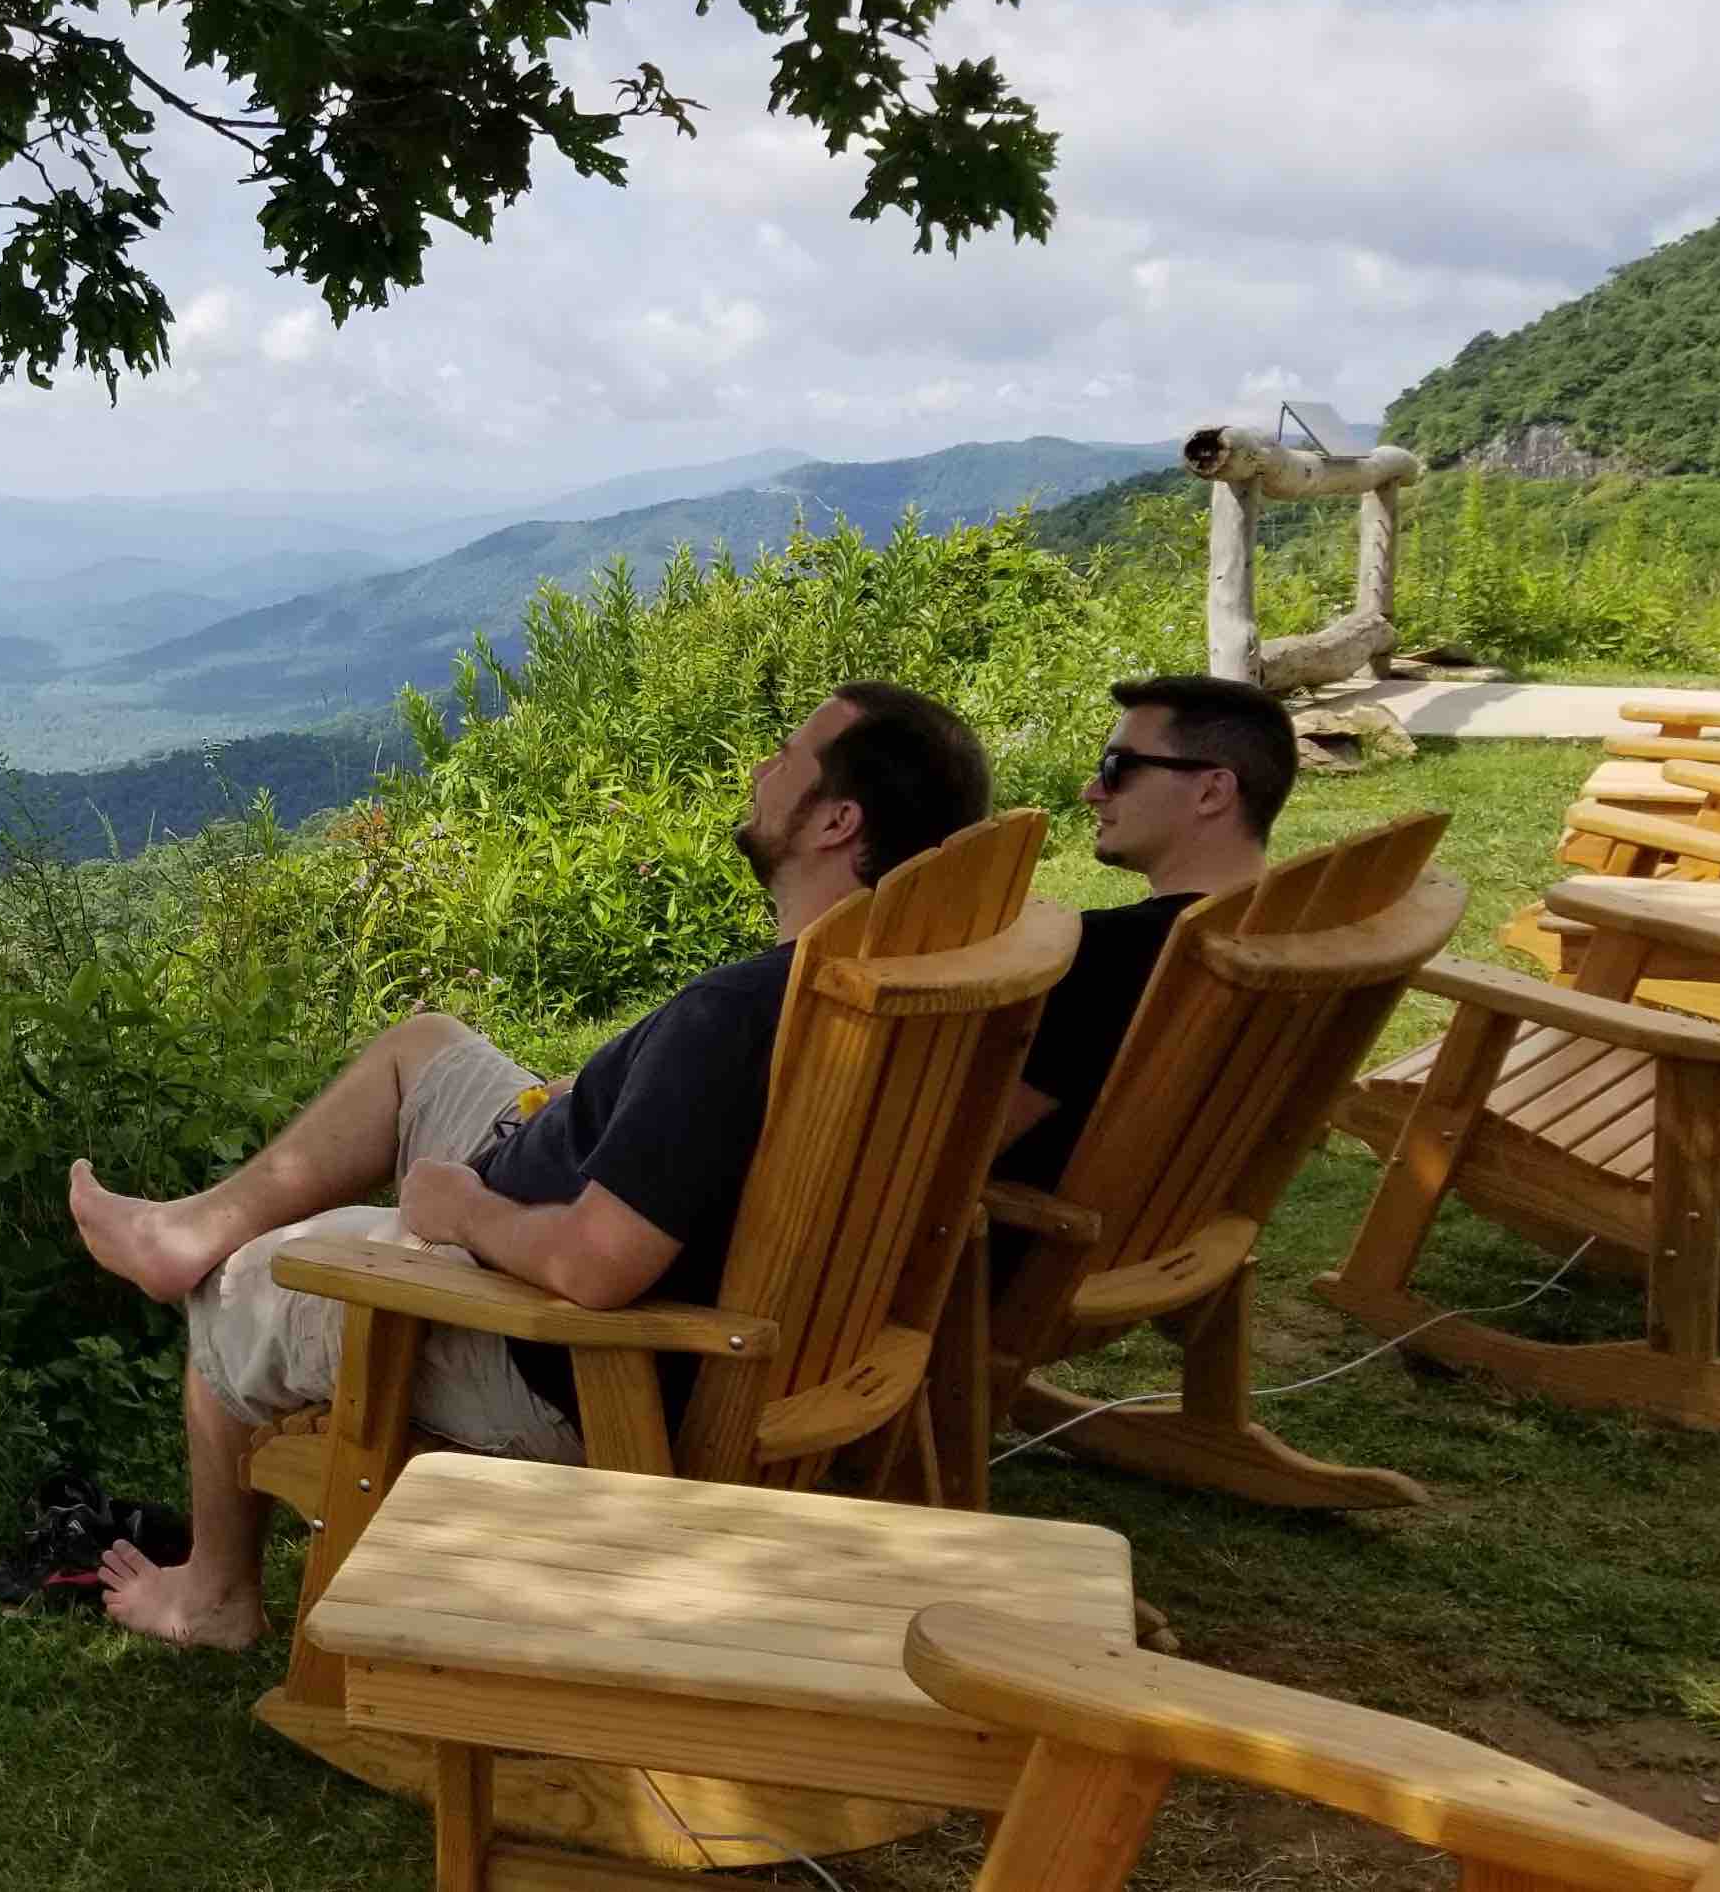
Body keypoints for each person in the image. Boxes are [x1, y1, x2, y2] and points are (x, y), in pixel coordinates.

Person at [63, 683, 994, 1650]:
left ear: (837, 821)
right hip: (609, 1220)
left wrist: (459, 1210)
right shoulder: (895, 986)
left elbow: (599, 1268)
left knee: (239, 1283)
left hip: (571, 1360)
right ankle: (184, 1227)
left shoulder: (738, 1019)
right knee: (425, 1048)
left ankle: (214, 1595)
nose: (764, 768)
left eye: (789, 757)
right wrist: (604, 1103)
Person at [990, 673, 1297, 1200]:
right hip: (1178, 1236)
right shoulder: (1298, 931)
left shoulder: (1111, 953)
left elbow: (972, 1146)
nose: (1092, 792)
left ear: (1212, 791)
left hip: (1037, 1258)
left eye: (1118, 769)